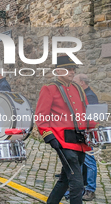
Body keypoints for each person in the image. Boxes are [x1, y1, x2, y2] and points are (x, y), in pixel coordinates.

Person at [35, 55, 96, 204]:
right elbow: (41, 116)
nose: (72, 71)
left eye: (73, 69)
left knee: (65, 180)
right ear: (58, 71)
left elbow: (86, 112)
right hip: (62, 141)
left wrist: (93, 127)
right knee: (77, 182)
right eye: (68, 69)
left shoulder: (78, 89)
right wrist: (49, 137)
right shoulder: (49, 89)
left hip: (80, 141)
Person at [73, 74, 98, 201]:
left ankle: (90, 189)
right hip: (80, 133)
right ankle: (81, 187)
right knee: (80, 161)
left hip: (87, 134)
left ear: (82, 83)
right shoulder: (82, 95)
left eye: (75, 82)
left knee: (89, 161)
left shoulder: (90, 96)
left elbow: (92, 118)